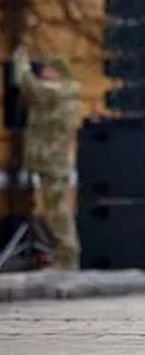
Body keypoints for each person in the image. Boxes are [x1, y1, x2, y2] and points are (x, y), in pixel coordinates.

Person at [13, 47, 80, 269]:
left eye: (48, 69)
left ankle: (67, 258)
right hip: (53, 160)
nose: (43, 72)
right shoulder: (65, 91)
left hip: (52, 161)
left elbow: (30, 87)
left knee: (57, 212)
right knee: (54, 210)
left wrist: (21, 62)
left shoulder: (56, 92)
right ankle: (65, 257)